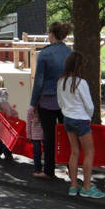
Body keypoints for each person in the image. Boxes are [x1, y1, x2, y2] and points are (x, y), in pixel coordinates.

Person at [57, 51, 105, 198]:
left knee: (74, 152)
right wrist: (89, 117)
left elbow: (60, 102)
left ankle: (72, 186)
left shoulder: (61, 81)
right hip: (81, 120)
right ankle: (86, 187)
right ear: (79, 66)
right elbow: (89, 105)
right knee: (89, 152)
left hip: (68, 119)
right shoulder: (81, 83)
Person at [29, 21, 72, 179]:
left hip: (47, 101)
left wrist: (33, 103)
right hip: (66, 101)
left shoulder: (44, 54)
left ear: (51, 34)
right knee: (68, 135)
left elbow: (39, 81)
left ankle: (49, 170)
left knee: (49, 136)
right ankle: (70, 166)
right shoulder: (70, 53)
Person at [26, 105, 44, 175]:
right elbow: (28, 124)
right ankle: (37, 168)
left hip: (44, 135)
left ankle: (46, 169)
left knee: (46, 152)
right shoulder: (30, 109)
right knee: (37, 152)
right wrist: (29, 135)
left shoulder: (44, 108)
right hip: (35, 136)